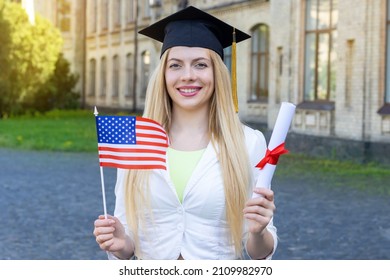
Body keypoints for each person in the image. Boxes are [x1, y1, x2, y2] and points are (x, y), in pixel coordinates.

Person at [93, 6, 277, 260]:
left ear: (217, 73)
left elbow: (258, 252)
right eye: (176, 65)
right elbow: (128, 243)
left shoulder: (247, 143)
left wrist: (258, 233)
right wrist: (120, 241)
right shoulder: (136, 141)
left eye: (200, 65)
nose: (188, 76)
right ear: (163, 74)